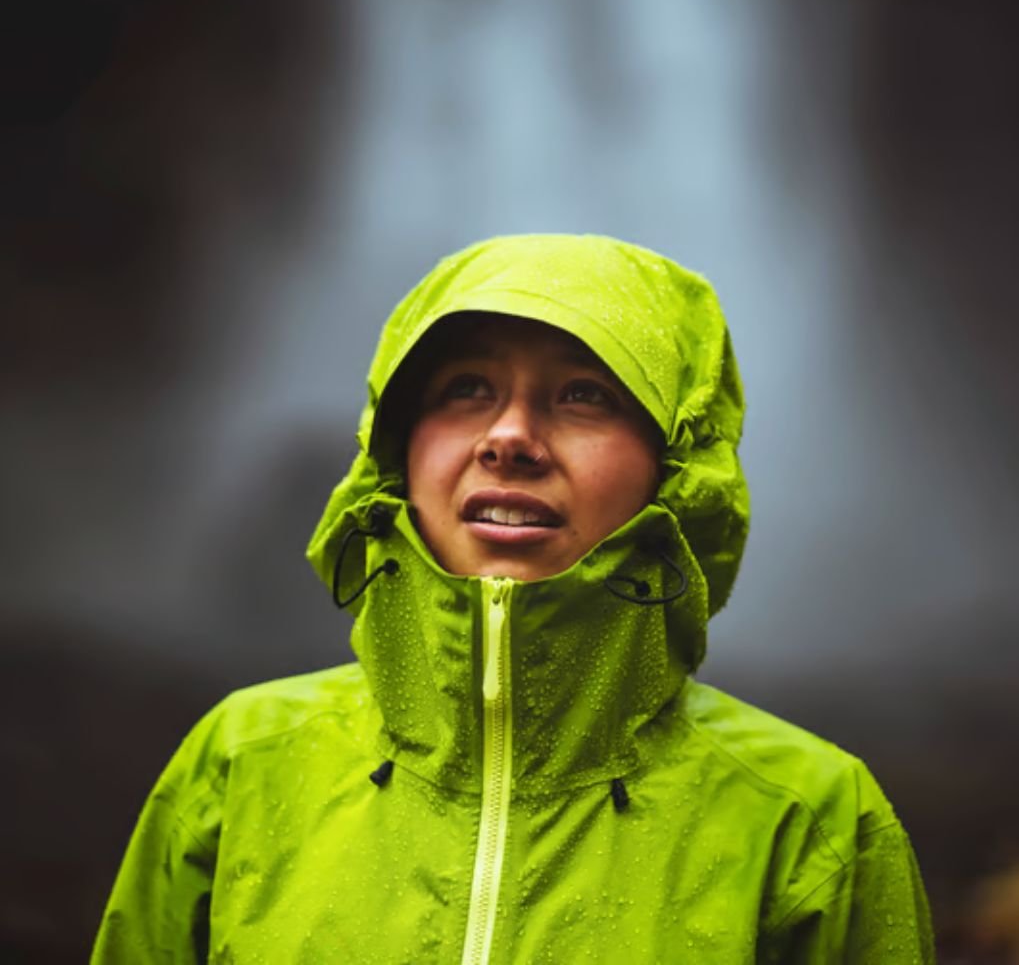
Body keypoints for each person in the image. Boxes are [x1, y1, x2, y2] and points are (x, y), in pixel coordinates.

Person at [92, 234, 935, 963]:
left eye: (583, 395)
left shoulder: (809, 817)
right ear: (395, 451)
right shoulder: (241, 764)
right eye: (465, 389)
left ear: (677, 469)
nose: (509, 438)